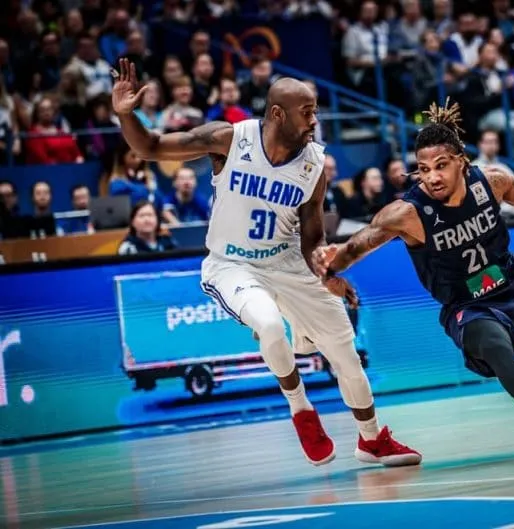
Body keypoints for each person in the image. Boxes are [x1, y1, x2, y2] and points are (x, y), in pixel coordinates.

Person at [110, 59, 420, 467]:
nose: (315, 120)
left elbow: (313, 239)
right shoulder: (229, 139)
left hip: (288, 262)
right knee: (270, 325)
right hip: (232, 265)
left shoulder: (313, 165)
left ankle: (370, 439)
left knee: (346, 355)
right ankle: (300, 408)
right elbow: (149, 147)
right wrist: (125, 114)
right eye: (307, 111)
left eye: (315, 110)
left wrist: (329, 272)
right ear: (277, 113)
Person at [311, 100, 514, 464]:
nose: (432, 177)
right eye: (423, 170)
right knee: (497, 351)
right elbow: (357, 245)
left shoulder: (492, 180)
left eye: (441, 166)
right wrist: (331, 268)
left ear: (461, 161)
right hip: (469, 307)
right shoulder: (406, 214)